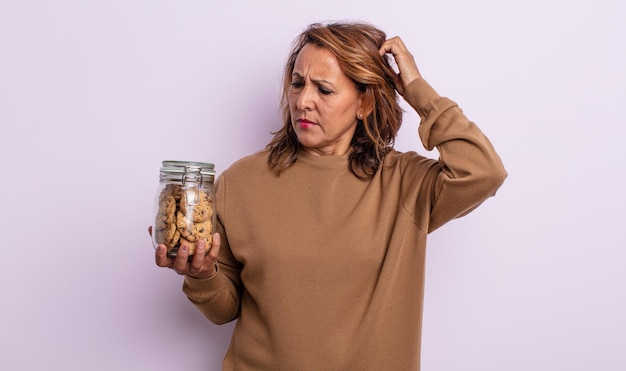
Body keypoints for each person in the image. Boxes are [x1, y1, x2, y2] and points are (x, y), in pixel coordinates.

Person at [154, 21, 507, 370]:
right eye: (297, 83)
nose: (303, 101)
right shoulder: (240, 181)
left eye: (323, 89)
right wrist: (201, 275)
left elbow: (483, 171)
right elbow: (225, 310)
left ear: (364, 103)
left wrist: (417, 90)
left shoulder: (404, 183)